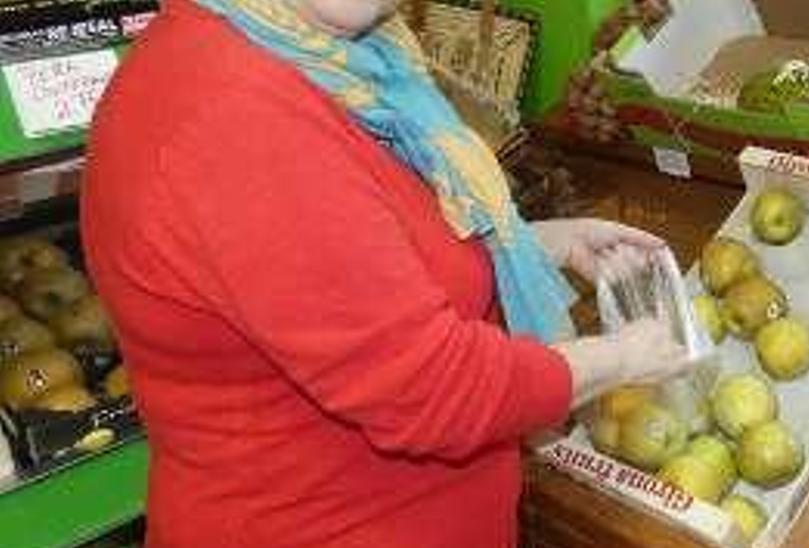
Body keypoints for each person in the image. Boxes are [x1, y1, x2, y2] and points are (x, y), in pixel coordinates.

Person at [81, 0, 693, 545]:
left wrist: (528, 246)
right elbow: (434, 389)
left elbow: (354, 263)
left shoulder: (314, 55)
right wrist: (624, 357)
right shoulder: (235, 117)